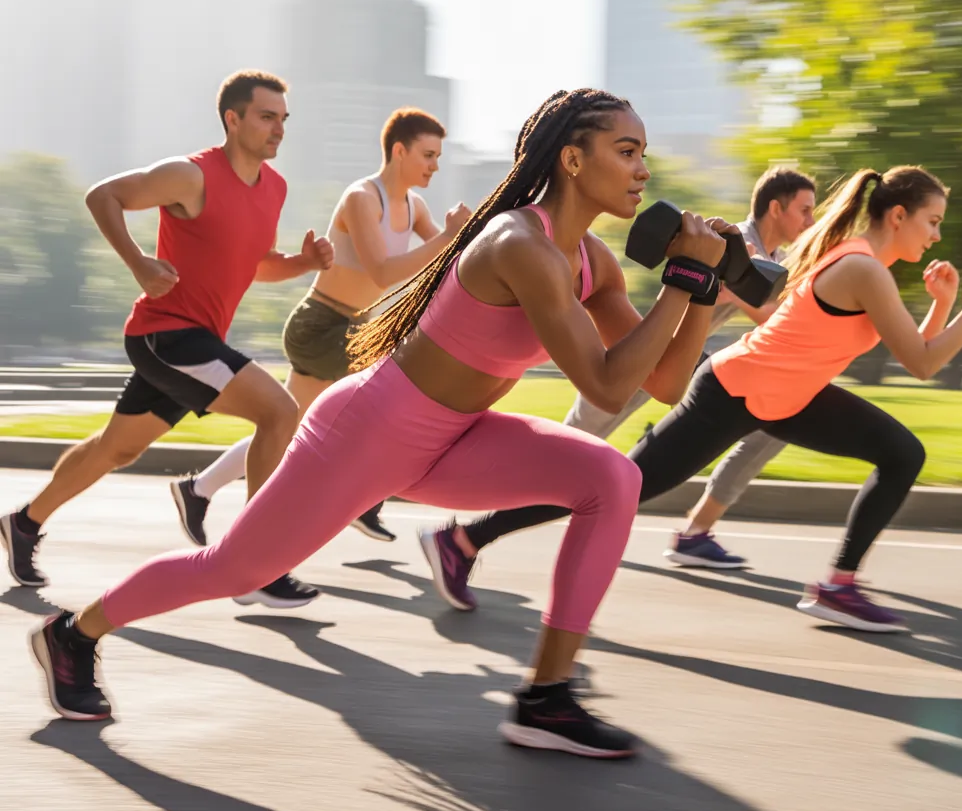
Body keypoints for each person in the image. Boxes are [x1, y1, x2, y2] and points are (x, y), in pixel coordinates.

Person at [28, 88, 731, 760]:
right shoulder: (521, 243)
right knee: (237, 566)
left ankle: (547, 699)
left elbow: (663, 383)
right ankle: (73, 632)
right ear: (573, 160)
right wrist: (684, 282)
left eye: (642, 153)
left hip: (455, 438)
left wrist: (702, 292)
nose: (643, 170)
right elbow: (605, 384)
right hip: (368, 431)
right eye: (628, 150)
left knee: (611, 475)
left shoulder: (591, 262)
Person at [444, 166, 962, 634]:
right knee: (623, 484)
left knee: (902, 453)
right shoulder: (860, 267)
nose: (935, 236)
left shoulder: (866, 265)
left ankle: (838, 586)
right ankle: (465, 537)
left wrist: (944, 304)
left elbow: (919, 349)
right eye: (932, 222)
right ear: (898, 215)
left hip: (788, 397)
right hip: (734, 391)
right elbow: (924, 362)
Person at [1, 70, 333, 610]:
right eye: (267, 117)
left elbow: (250, 265)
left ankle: (23, 523)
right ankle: (255, 563)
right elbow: (102, 195)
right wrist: (138, 263)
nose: (278, 130)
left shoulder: (274, 188)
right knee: (279, 411)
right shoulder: (191, 175)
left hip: (195, 341)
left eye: (283, 120)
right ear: (234, 118)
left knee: (119, 448)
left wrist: (302, 263)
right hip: (166, 336)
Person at [419, 167, 817, 608]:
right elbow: (767, 313)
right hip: (630, 355)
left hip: (669, 366)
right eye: (804, 210)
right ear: (775, 208)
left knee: (593, 467)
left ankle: (694, 532)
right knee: (567, 465)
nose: (810, 221)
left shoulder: (768, 258)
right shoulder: (729, 244)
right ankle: (458, 536)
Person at [170, 108, 471, 545]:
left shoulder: (415, 206)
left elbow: (446, 261)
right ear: (399, 151)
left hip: (357, 328)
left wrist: (468, 235)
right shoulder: (362, 198)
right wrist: (448, 237)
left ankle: (197, 490)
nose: (434, 166)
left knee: (286, 427)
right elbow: (384, 272)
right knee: (385, 398)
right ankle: (360, 501)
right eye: (428, 154)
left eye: (438, 157)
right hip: (322, 326)